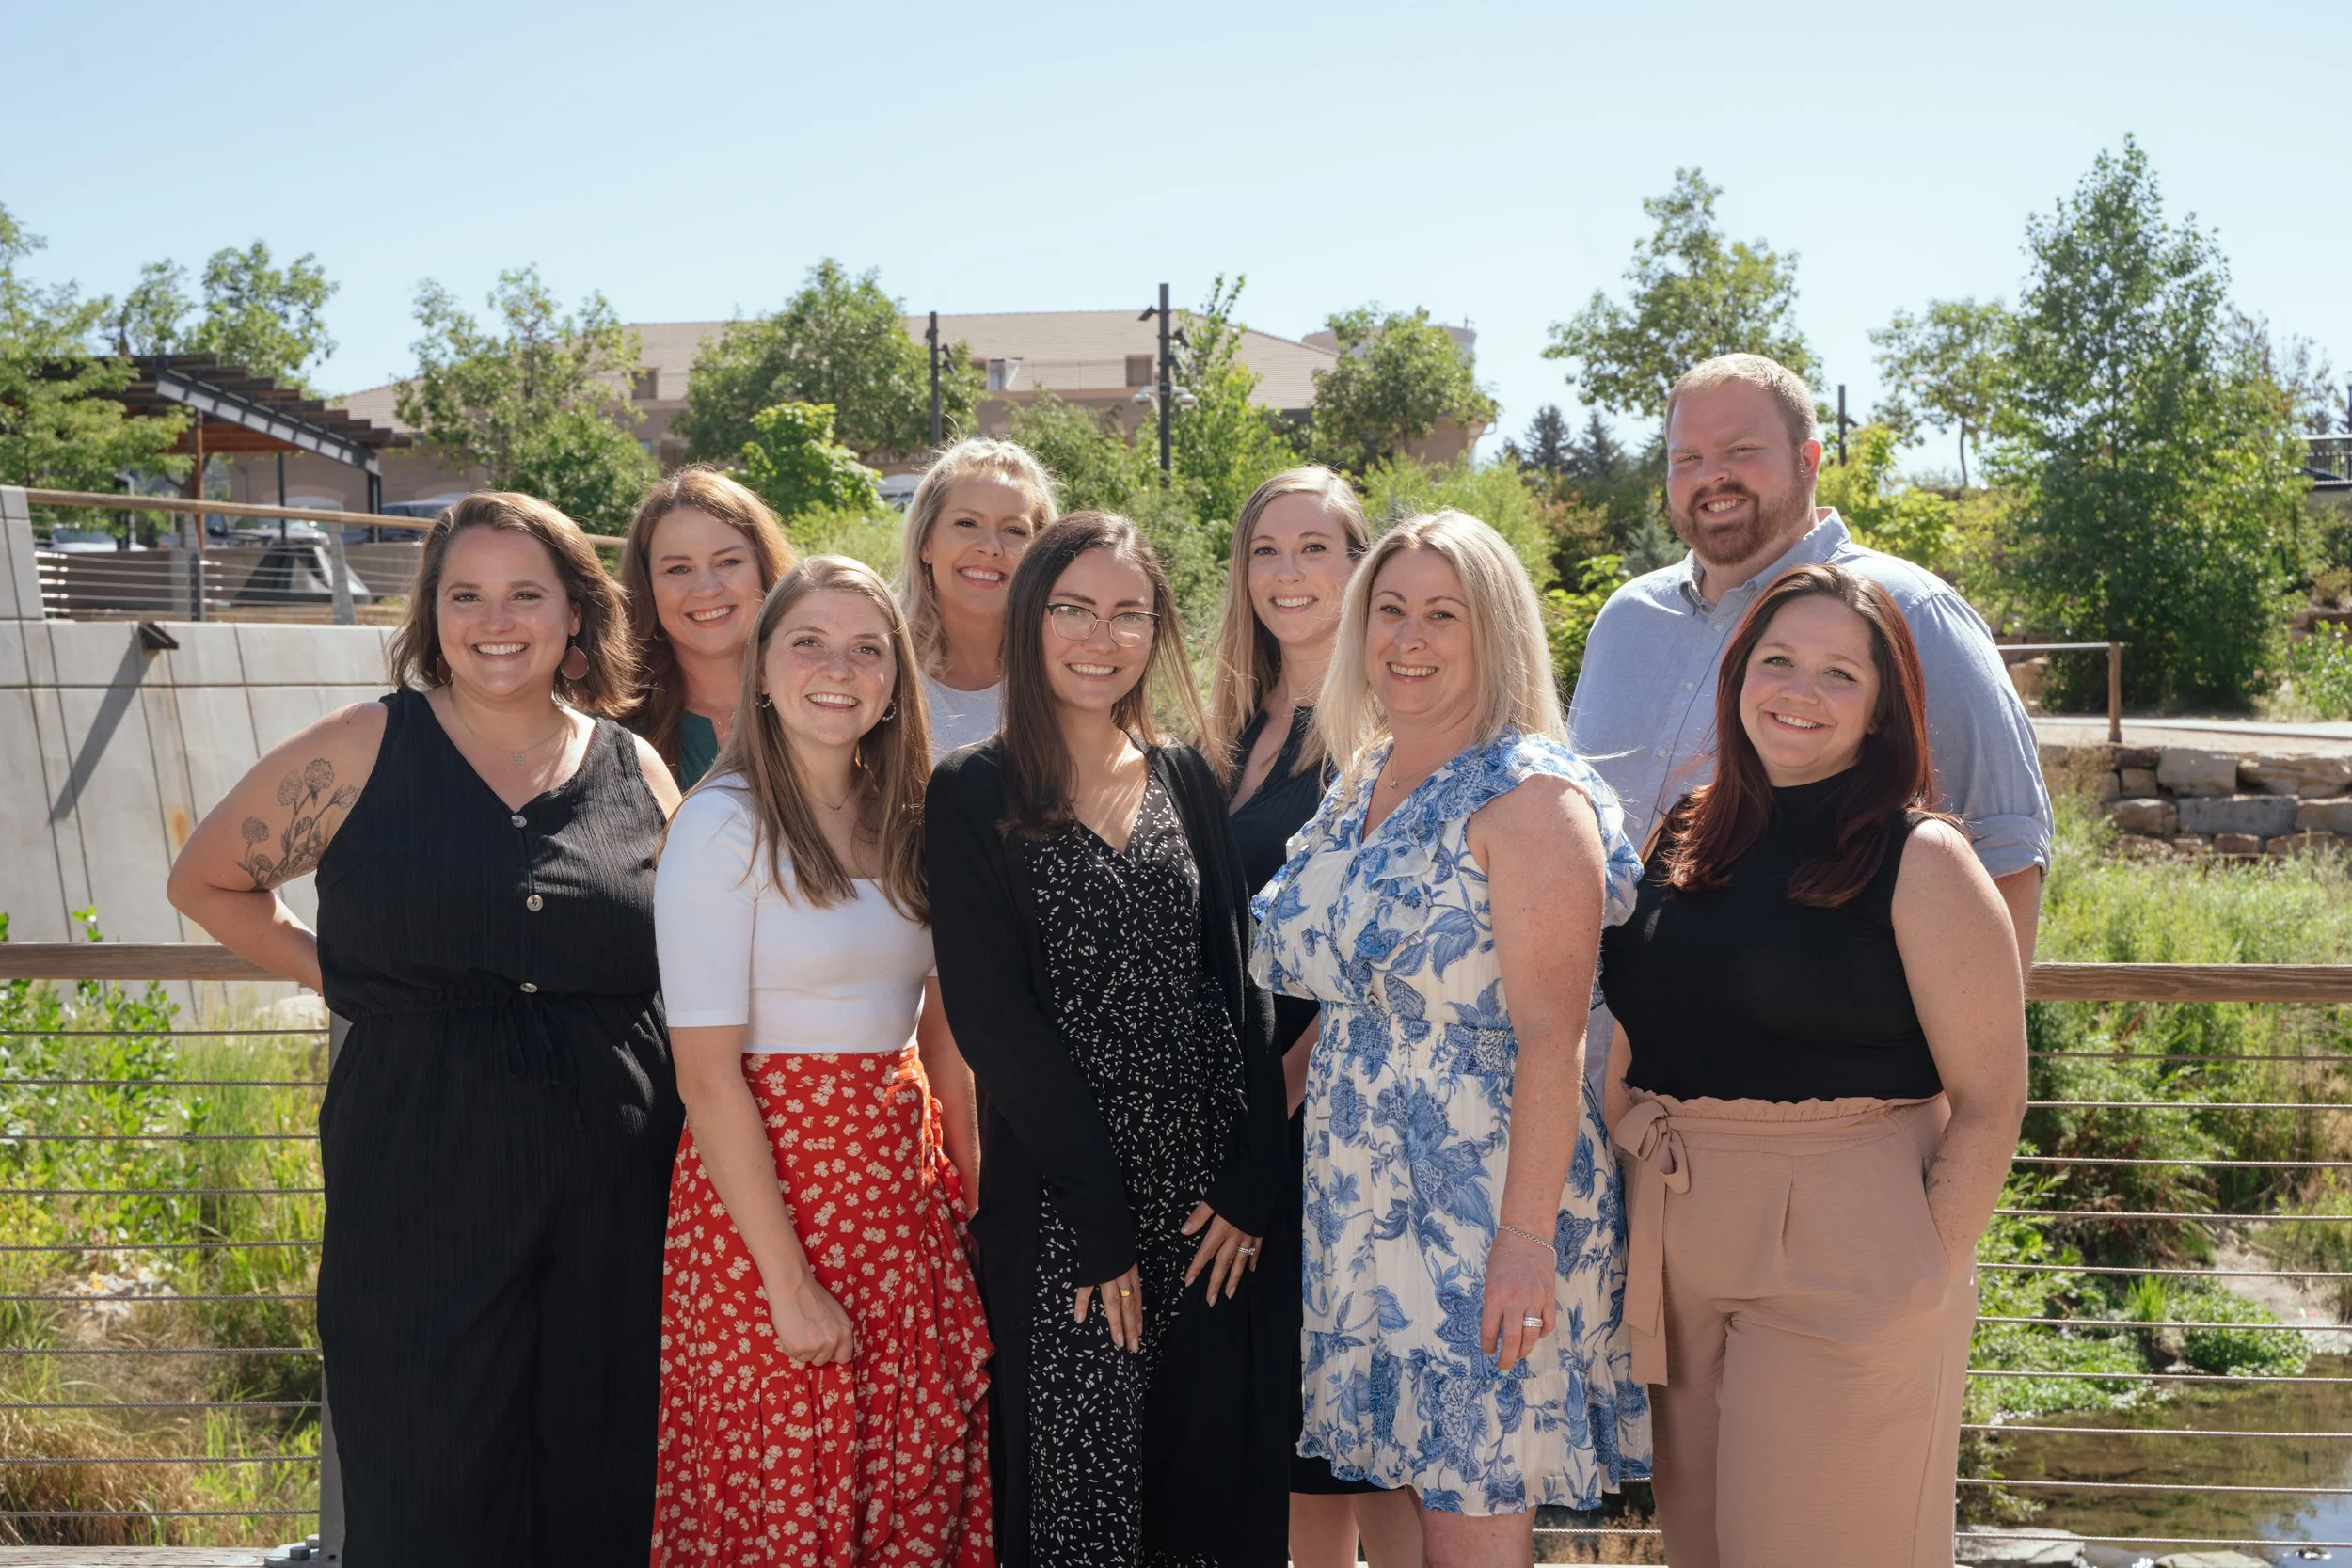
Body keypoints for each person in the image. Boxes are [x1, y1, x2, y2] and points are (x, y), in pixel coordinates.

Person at [165, 493, 684, 1565]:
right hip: (417, 1180)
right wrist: (345, 976)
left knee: (602, 1478)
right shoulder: (364, 746)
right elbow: (208, 879)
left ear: (576, 617)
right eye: (467, 594)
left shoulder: (637, 770)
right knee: (426, 1488)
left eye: (526, 593)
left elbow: (692, 955)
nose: (497, 619)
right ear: (432, 614)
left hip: (614, 1190)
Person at [1598, 563, 2026, 1568]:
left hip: (1848, 1250)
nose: (1798, 690)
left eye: (1840, 673)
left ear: (1882, 711)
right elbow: (1634, 1011)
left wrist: (1920, 1258)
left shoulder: (1922, 858)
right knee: (1701, 1546)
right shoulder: (1684, 831)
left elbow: (1993, 1093)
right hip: (1676, 1232)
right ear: (1737, 673)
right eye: (1777, 659)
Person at [1252, 510, 1650, 1568]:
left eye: (1443, 614)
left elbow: (1552, 1035)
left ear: (1496, 634)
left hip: (1479, 1211)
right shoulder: (1364, 777)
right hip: (1358, 1206)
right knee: (1398, 1505)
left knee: (1470, 1516)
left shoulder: (1528, 795)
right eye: (1389, 609)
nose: (1407, 637)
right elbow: (1347, 998)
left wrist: (1521, 1242)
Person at [926, 512, 1289, 1568]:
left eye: (1129, 612)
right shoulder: (972, 789)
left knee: (1205, 1503)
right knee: (1080, 1510)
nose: (1101, 635)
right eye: (1074, 609)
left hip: (1208, 1216)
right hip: (1068, 1217)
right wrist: (1099, 1219)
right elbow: (996, 1025)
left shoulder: (1184, 777)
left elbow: (1241, 985)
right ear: (1032, 622)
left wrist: (1251, 1178)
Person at [1567, 353, 2050, 1086]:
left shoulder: (1908, 614)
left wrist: (1954, 1123)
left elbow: (2006, 863)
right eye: (1687, 456)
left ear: (1809, 459)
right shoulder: (1627, 621)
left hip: (1806, 1130)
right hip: (1592, 1112)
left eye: (1740, 451)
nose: (1711, 475)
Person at [649, 556, 992, 1565]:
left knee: (910, 1478)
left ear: (894, 680)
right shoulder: (722, 825)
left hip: (898, 1196)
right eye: (808, 642)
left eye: (866, 648)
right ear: (761, 671)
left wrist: (978, 1199)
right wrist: (788, 1285)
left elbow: (942, 1038)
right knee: (787, 1486)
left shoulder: (913, 821)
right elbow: (707, 1077)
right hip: (772, 1206)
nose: (836, 668)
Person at [1205, 469, 1420, 1568]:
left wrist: (1267, 1119)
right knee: (1289, 1443)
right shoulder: (1226, 725)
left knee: (1365, 1441)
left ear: (1359, 565)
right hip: (1237, 1123)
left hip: (1328, 1124)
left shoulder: (1384, 729)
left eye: (1315, 549)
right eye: (1265, 551)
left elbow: (1373, 964)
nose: (1287, 573)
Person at [621, 464, 797, 787]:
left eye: (728, 562)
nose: (706, 589)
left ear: (764, 569)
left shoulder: (823, 697)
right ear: (647, 587)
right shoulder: (611, 735)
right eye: (678, 569)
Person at [895, 437, 1058, 760]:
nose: (990, 546)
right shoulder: (883, 667)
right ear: (925, 542)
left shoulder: (1062, 671)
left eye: (1014, 530)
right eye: (967, 523)